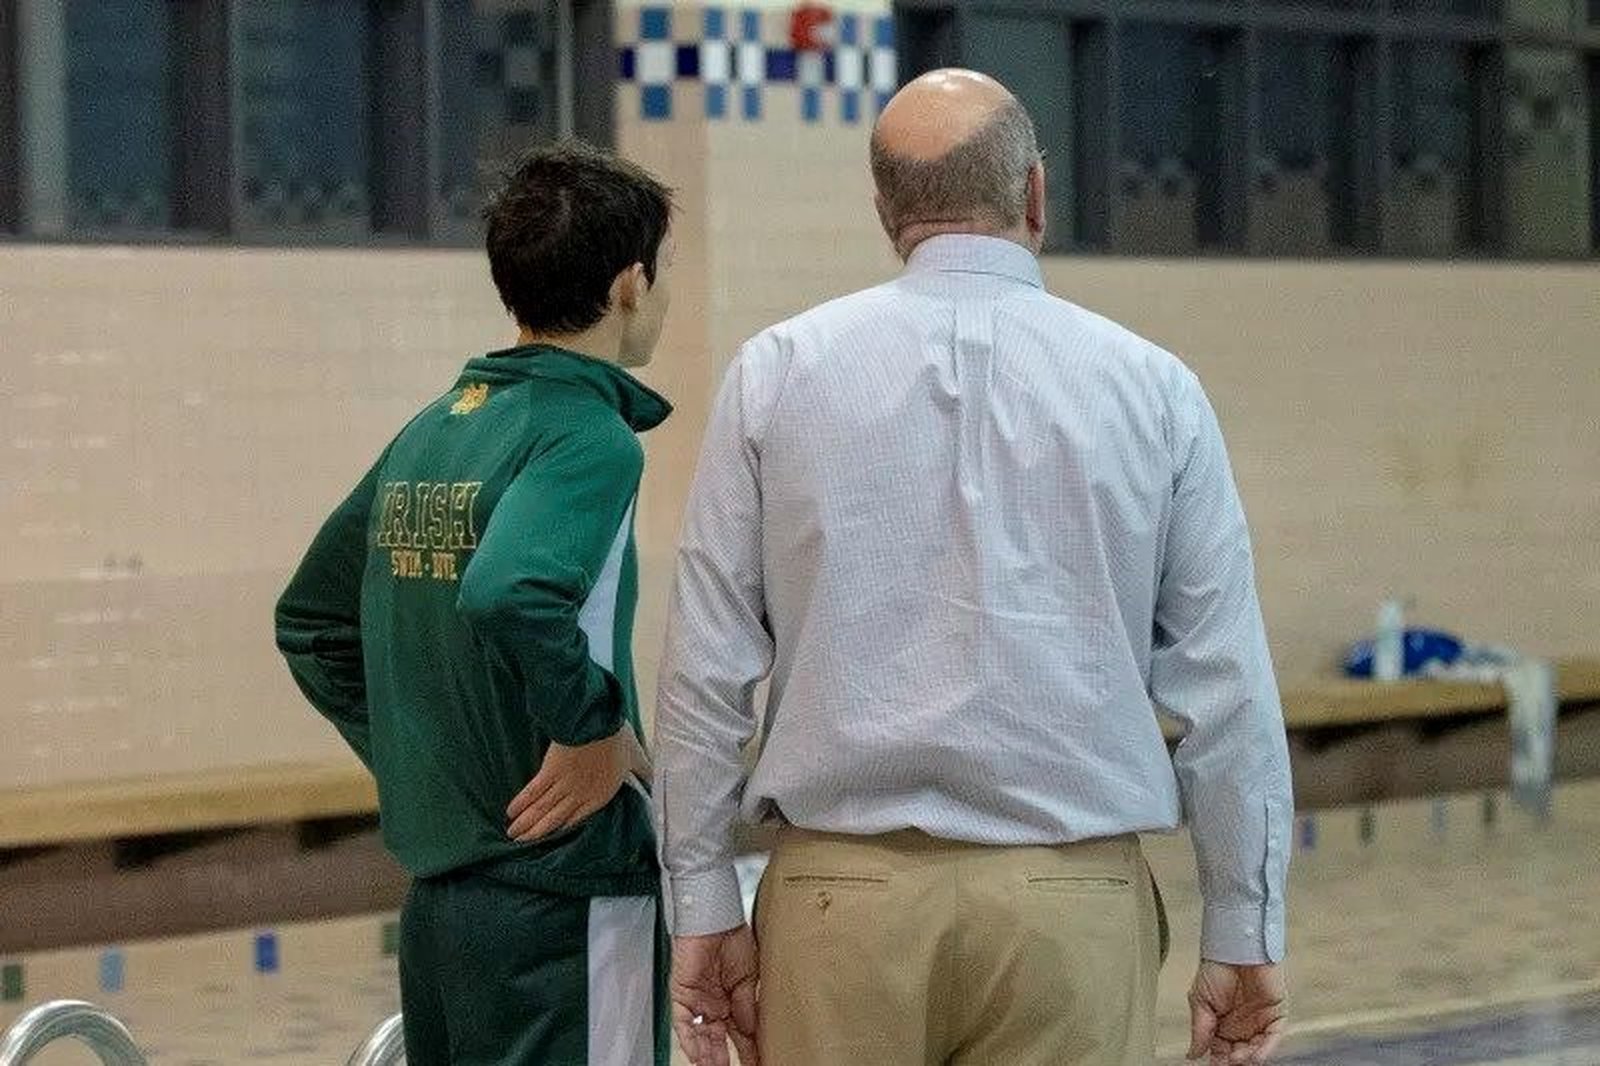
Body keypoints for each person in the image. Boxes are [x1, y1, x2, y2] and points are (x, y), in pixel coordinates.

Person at [654, 70, 1293, 1066]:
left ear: (885, 213)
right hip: (1071, 907)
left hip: (837, 907)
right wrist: (1243, 926)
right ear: (1035, 193)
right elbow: (1229, 687)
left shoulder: (777, 374)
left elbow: (703, 670)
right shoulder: (1155, 390)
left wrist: (700, 903)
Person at [275, 141, 676, 1066]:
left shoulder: (433, 430)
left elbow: (311, 623)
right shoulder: (591, 436)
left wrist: (430, 760)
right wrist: (592, 728)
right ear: (630, 284)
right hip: (566, 886)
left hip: (444, 895)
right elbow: (511, 592)